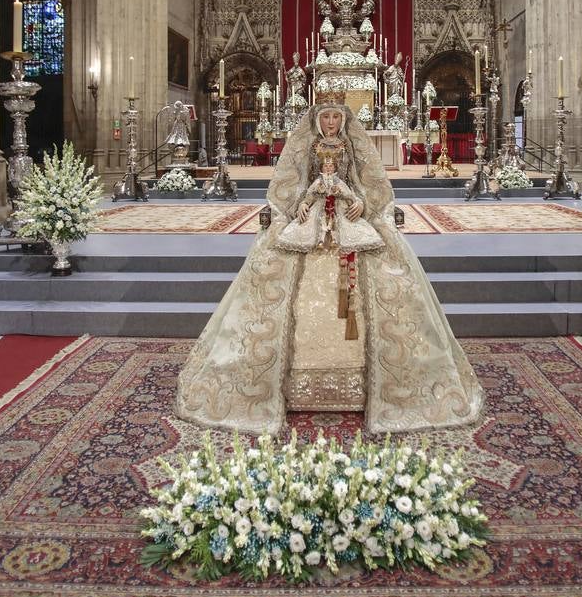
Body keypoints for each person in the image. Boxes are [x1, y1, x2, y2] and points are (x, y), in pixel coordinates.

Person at [175, 96, 484, 435]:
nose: (332, 123)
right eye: (327, 117)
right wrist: (299, 206)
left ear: (344, 119)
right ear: (317, 120)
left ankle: (370, 382)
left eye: (337, 117)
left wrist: (361, 203)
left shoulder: (352, 147)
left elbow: (369, 184)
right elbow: (290, 186)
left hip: (350, 224)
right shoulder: (306, 147)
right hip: (311, 226)